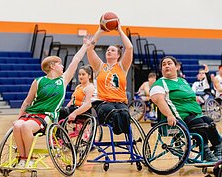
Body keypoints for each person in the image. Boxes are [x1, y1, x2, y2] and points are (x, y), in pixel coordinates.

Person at [12, 36, 89, 168]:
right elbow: (27, 102)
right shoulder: (39, 81)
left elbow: (75, 60)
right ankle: (23, 158)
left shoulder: (63, 80)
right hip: (30, 114)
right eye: (60, 64)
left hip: (47, 116)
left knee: (25, 127)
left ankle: (28, 158)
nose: (63, 66)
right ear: (52, 66)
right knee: (17, 125)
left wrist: (85, 46)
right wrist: (19, 117)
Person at [149, 56, 222, 162]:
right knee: (199, 123)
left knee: (209, 122)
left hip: (193, 114)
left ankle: (218, 149)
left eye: (169, 63)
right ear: (161, 69)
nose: (166, 66)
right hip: (177, 118)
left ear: (177, 67)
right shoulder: (159, 84)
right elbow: (159, 101)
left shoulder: (183, 81)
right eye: (164, 64)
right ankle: (205, 152)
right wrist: (169, 115)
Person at [86, 19, 133, 135]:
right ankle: (118, 130)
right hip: (103, 102)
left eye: (112, 50)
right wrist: (99, 31)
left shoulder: (122, 66)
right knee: (113, 112)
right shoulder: (100, 66)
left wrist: (120, 30)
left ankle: (125, 134)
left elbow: (130, 48)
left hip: (120, 101)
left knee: (125, 113)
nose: (109, 52)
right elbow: (90, 49)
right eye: (108, 50)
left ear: (118, 55)